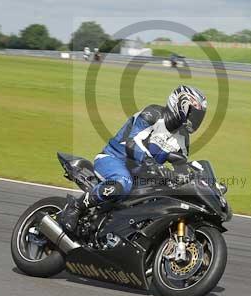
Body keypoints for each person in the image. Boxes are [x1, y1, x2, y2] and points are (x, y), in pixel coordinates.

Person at [57, 85, 208, 233]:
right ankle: (76, 206)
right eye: (194, 114)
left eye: (199, 116)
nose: (195, 120)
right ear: (181, 106)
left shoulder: (183, 138)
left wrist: (190, 177)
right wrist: (152, 163)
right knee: (122, 182)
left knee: (162, 196)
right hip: (114, 159)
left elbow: (181, 165)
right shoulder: (154, 114)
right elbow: (131, 143)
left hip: (142, 174)